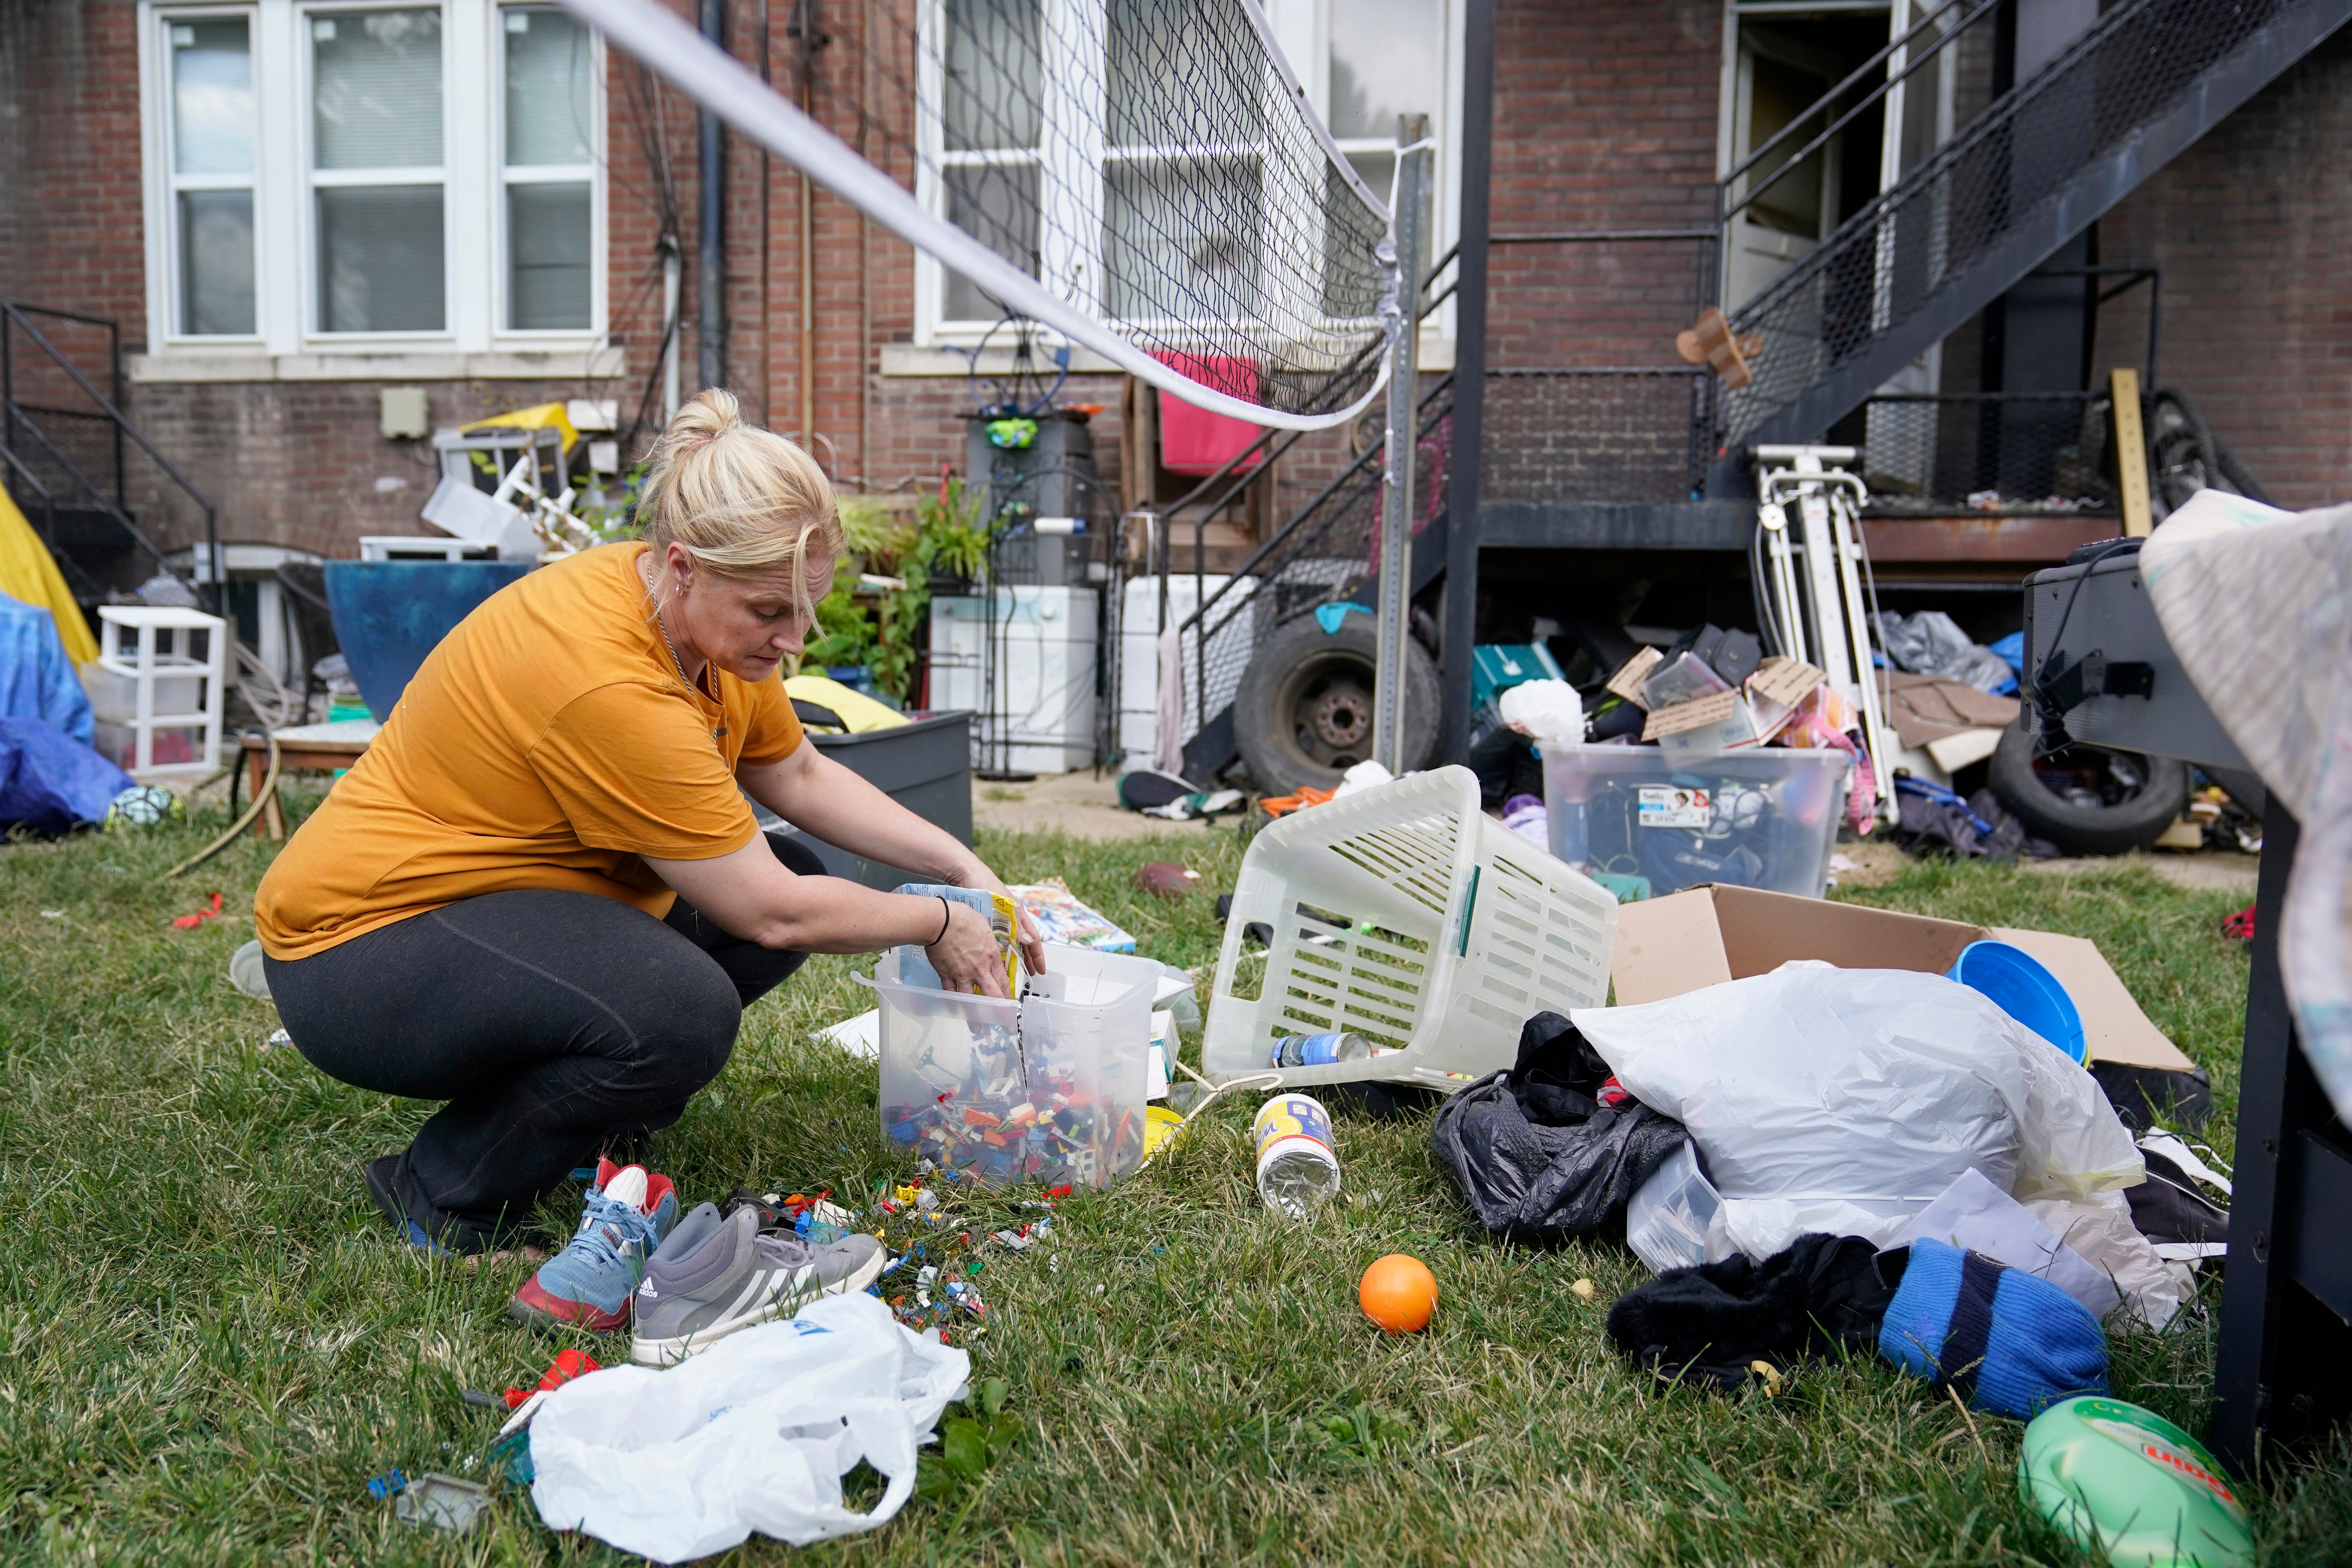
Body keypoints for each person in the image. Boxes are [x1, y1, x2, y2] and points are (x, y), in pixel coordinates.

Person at [256, 390, 1041, 1266]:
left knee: (784, 863)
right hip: (359, 950)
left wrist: (963, 865)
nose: (793, 639)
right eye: (768, 613)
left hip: (488, 899)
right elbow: (772, 910)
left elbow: (798, 771)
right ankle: (444, 1190)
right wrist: (941, 919)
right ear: (681, 565)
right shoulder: (610, 680)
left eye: (804, 608)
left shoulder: (702, 625)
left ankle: (589, 1124)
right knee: (684, 1008)